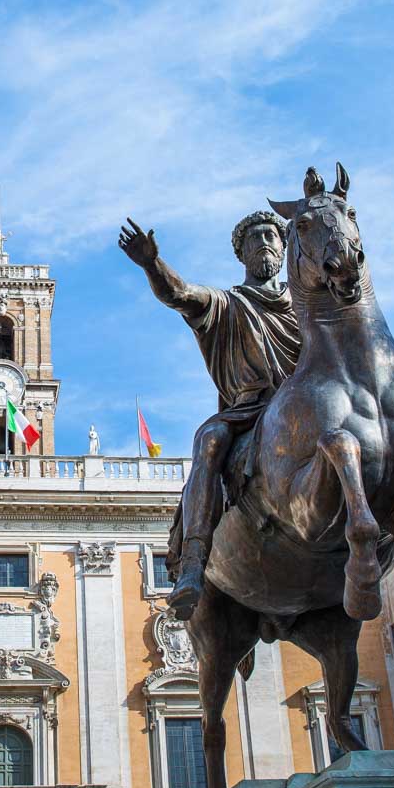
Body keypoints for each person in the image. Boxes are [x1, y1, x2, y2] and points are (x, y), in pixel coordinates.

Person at [119, 211, 300, 619]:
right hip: (251, 409)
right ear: (241, 254)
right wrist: (152, 263)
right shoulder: (226, 304)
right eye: (253, 238)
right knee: (209, 441)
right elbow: (179, 294)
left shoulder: (309, 304)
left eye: (270, 235)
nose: (263, 242)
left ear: (284, 246)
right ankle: (193, 559)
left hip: (310, 402)